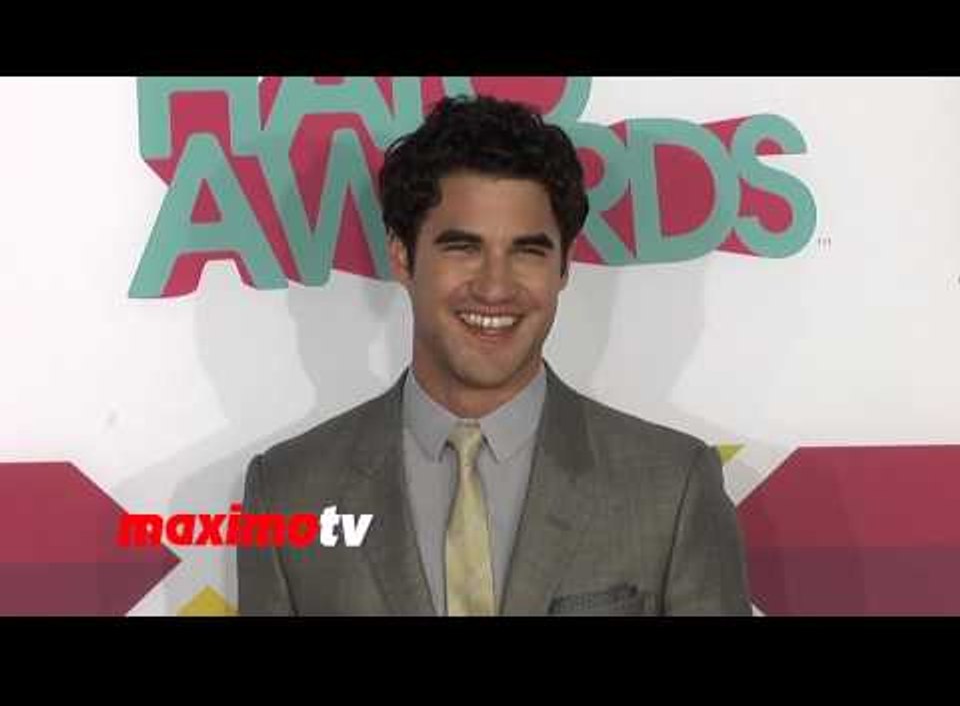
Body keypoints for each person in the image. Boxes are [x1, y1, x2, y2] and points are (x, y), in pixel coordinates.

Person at [238, 94, 751, 616]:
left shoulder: (673, 486)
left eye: (528, 251)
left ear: (565, 266)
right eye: (463, 247)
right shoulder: (287, 490)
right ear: (402, 256)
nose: (494, 286)